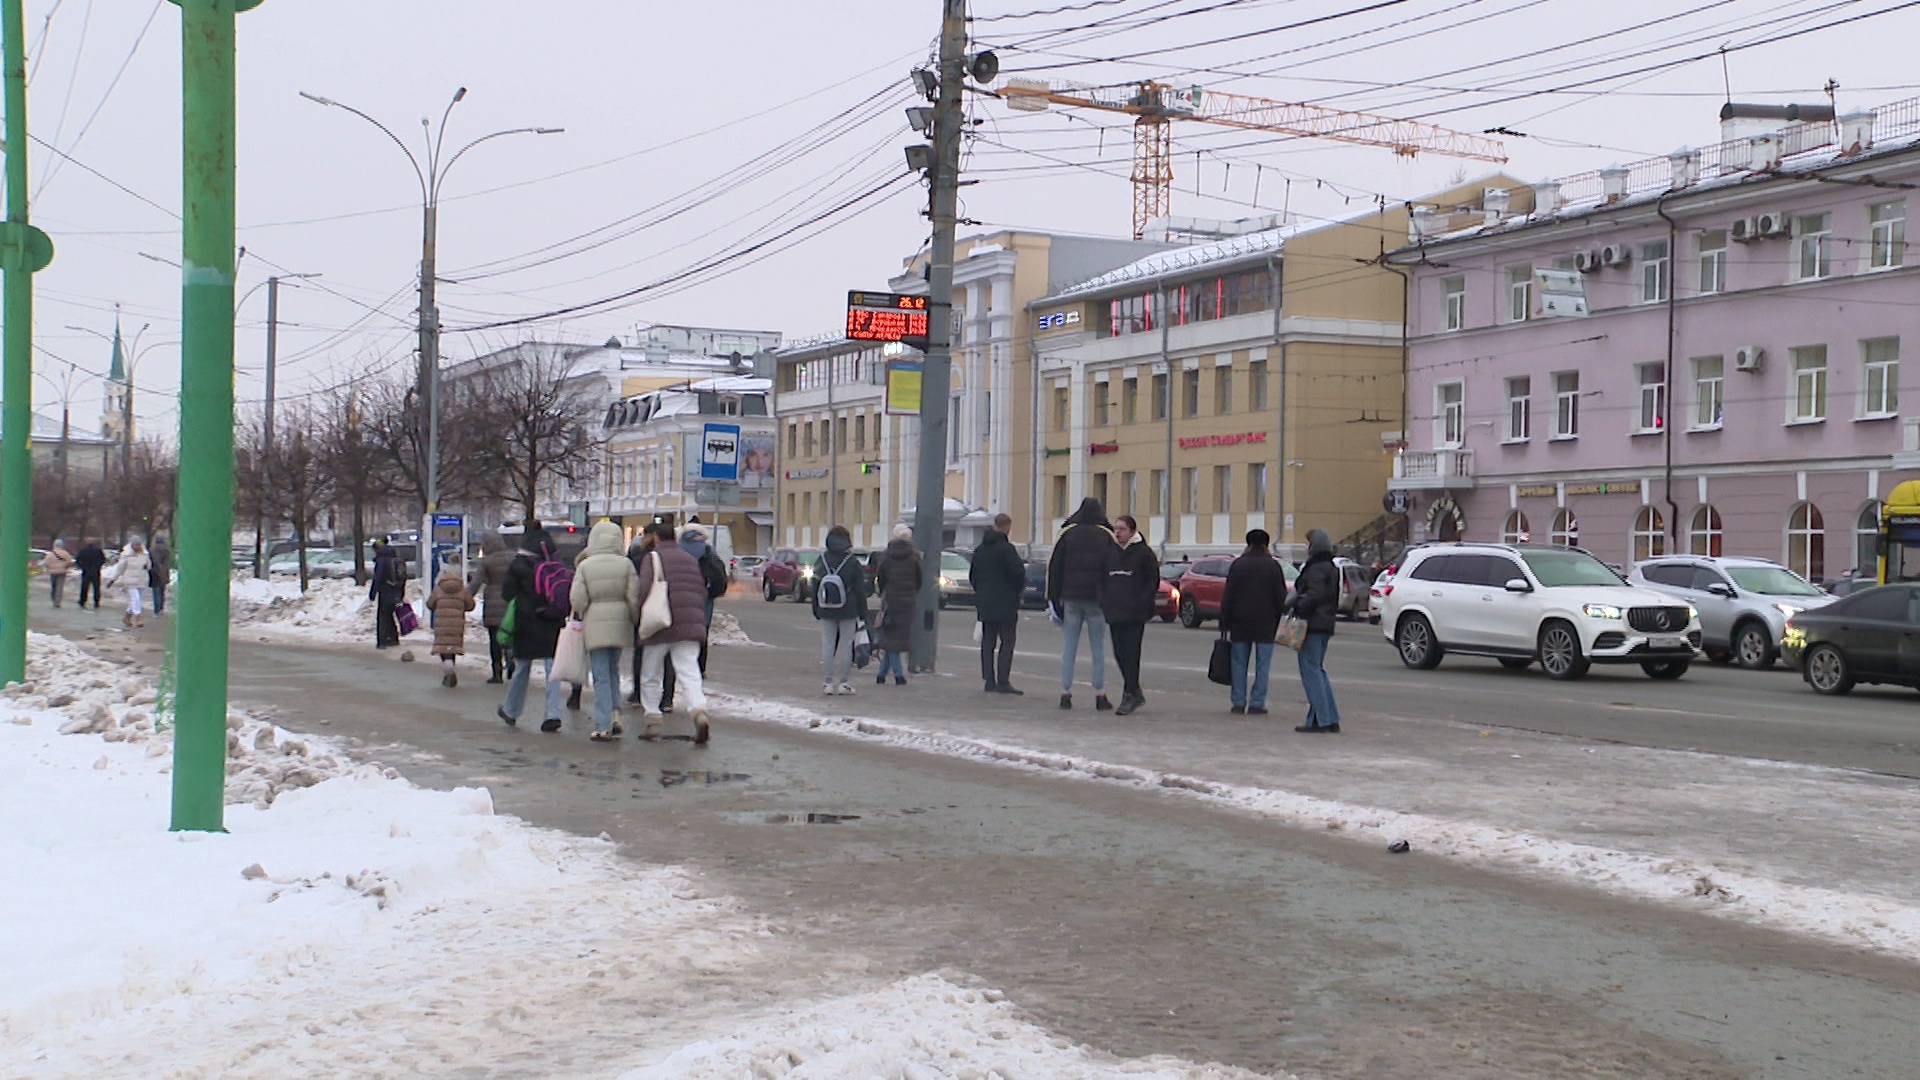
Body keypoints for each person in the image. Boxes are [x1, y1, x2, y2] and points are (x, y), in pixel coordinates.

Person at [634, 520, 711, 742]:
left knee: (650, 673)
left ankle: (652, 720)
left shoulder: (653, 558)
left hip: (661, 622)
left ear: (656, 538)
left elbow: (645, 589)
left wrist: (639, 614)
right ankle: (698, 711)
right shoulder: (689, 558)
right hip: (690, 622)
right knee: (689, 672)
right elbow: (700, 589)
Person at [570, 520, 640, 742]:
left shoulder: (586, 566)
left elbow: (578, 600)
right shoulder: (626, 565)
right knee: (613, 671)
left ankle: (603, 725)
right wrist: (633, 619)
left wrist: (582, 613)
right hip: (619, 622)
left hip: (596, 623)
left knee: (600, 675)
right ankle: (615, 714)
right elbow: (633, 597)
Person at [1046, 497, 1115, 711]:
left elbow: (1054, 568)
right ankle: (1100, 694)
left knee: (1069, 647)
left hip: (1071, 598)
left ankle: (1065, 693)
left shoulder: (1067, 534)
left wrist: (1053, 599)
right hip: (1097, 600)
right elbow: (1112, 570)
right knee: (1098, 648)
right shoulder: (1106, 535)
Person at [498, 527, 568, 733]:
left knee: (522, 668)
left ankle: (512, 710)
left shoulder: (518, 564)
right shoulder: (555, 564)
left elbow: (507, 593)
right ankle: (553, 714)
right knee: (552, 670)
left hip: (526, 622)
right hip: (551, 621)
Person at [1218, 529, 1289, 716]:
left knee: (1239, 663)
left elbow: (1229, 595)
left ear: (1248, 544)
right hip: (1266, 623)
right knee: (1263, 665)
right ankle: (1257, 702)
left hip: (1240, 622)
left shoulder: (1239, 565)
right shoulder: (1273, 566)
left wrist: (1224, 620)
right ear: (1266, 544)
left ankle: (1238, 702)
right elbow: (1280, 596)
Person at [661, 524, 728, 712]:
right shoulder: (709, 553)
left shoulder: (676, 553)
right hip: (701, 609)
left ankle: (667, 699)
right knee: (694, 654)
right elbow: (721, 582)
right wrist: (708, 595)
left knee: (671, 655)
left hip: (675, 608)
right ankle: (696, 701)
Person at [1101, 515, 1159, 716]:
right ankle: (1135, 691)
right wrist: (1105, 601)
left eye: (1122, 529)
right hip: (1114, 611)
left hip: (1134, 613)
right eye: (1116, 528)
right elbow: (1102, 579)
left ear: (1132, 531)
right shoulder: (1111, 552)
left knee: (1131, 653)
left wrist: (1141, 603)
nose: (1118, 532)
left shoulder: (1143, 553)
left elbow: (1152, 582)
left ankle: (1129, 694)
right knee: (1119, 653)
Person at [1287, 528, 1344, 734]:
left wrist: (1299, 605)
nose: (1305, 547)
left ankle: (1323, 720)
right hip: (1323, 624)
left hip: (1311, 624)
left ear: (1314, 546)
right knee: (1318, 671)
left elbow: (1314, 594)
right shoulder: (1329, 566)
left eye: (1307, 543)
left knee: (1311, 671)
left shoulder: (1315, 568)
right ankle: (1325, 718)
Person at [969, 512, 1027, 695]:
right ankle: (1003, 681)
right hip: (1006, 602)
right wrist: (1016, 591)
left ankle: (989, 680)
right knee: (1007, 642)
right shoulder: (1007, 549)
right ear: (1008, 527)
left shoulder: (980, 550)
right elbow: (1018, 573)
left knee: (988, 642)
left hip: (985, 602)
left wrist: (981, 593)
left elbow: (973, 576)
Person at [811, 525, 869, 696]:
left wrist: (816, 608)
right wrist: (862, 611)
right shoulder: (852, 562)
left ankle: (827, 683)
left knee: (828, 645)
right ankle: (844, 683)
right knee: (846, 645)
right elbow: (860, 589)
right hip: (848, 609)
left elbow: (815, 586)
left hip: (826, 608)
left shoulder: (821, 560)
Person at [872, 524, 921, 686]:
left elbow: (881, 577)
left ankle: (891, 674)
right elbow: (919, 579)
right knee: (896, 639)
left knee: (890, 638)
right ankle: (889, 675)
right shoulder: (914, 556)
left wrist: (884, 592)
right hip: (908, 601)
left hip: (890, 600)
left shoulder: (886, 555)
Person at [470, 532, 517, 683]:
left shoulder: (487, 561)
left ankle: (497, 672)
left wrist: (463, 597)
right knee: (511, 634)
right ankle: (511, 658)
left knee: (494, 640)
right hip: (512, 604)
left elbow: (475, 584)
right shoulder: (514, 557)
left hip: (493, 605)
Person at [427, 566, 475, 688]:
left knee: (443, 646)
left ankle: (447, 667)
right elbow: (470, 605)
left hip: (441, 623)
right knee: (453, 646)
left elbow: (430, 604)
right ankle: (450, 665)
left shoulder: (438, 589)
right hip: (457, 623)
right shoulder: (462, 590)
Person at [369, 539, 408, 649]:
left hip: (386, 591)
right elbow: (404, 577)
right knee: (390, 615)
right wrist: (401, 593)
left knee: (383, 617)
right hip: (397, 591)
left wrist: (373, 593)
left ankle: (382, 641)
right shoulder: (397, 558)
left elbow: (378, 578)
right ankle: (393, 638)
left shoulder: (382, 560)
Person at [110, 536, 152, 628]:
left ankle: (127, 617)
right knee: (135, 598)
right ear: (132, 545)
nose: (138, 546)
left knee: (136, 600)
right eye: (136, 545)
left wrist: (147, 566)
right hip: (130, 580)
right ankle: (138, 617)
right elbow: (120, 568)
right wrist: (113, 579)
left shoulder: (145, 554)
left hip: (142, 580)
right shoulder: (126, 555)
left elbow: (149, 565)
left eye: (139, 544)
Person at [41, 540, 73, 608]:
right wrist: (65, 567)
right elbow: (69, 562)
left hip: (52, 572)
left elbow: (46, 562)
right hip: (62, 572)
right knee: (60, 587)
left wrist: (49, 568)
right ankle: (57, 601)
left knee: (54, 586)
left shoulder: (51, 554)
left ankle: (53, 598)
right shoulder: (65, 553)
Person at [75, 538, 105, 610]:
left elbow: (78, 559)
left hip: (86, 571)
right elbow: (103, 559)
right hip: (95, 571)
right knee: (96, 587)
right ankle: (96, 601)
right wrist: (98, 566)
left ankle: (83, 600)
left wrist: (82, 566)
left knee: (84, 587)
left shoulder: (83, 550)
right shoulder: (98, 550)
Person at [147, 536, 172, 616]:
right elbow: (167, 564)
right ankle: (161, 609)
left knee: (156, 593)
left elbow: (149, 564)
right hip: (164, 574)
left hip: (154, 574)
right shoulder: (167, 551)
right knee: (162, 592)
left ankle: (156, 610)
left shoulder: (151, 551)